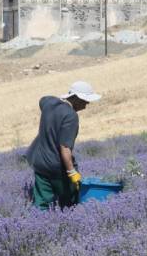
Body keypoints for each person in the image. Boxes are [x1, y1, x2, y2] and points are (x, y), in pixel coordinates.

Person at [26, 80, 101, 209]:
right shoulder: (71, 116)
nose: (87, 103)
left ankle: (34, 226)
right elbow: (65, 148)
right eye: (84, 100)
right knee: (70, 201)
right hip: (56, 166)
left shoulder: (50, 104)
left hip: (39, 162)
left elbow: (42, 100)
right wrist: (72, 172)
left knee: (41, 202)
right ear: (76, 98)